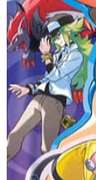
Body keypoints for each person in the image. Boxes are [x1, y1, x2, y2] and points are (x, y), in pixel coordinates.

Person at [6, 18, 84, 162]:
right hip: (39, 99)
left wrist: (46, 56)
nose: (54, 41)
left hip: (54, 102)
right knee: (14, 135)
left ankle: (49, 175)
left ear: (67, 33)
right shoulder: (57, 55)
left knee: (47, 148)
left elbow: (57, 75)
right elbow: (47, 80)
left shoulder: (76, 56)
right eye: (53, 37)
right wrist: (28, 89)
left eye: (57, 36)